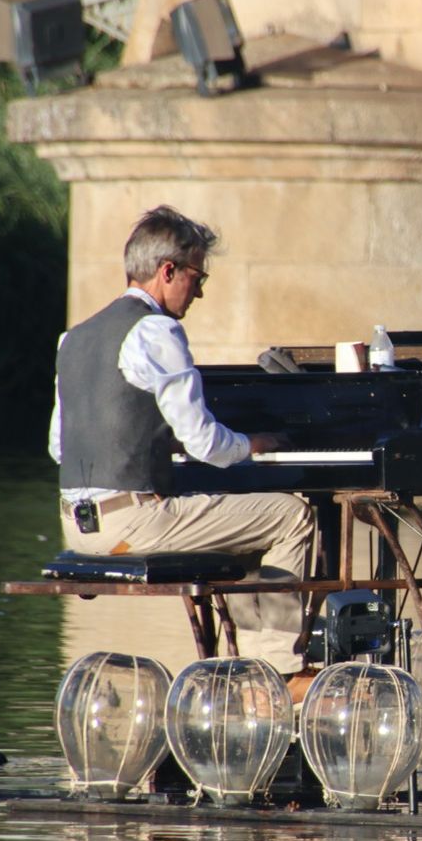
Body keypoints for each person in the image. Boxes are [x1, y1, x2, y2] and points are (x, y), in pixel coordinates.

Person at [48, 205, 315, 671]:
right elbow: (205, 443)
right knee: (292, 515)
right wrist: (253, 443)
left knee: (247, 525)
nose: (200, 293)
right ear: (167, 270)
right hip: (133, 525)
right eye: (197, 277)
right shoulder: (156, 331)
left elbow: (60, 446)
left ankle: (249, 669)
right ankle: (282, 672)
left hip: (76, 526)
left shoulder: (75, 338)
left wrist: (156, 444)